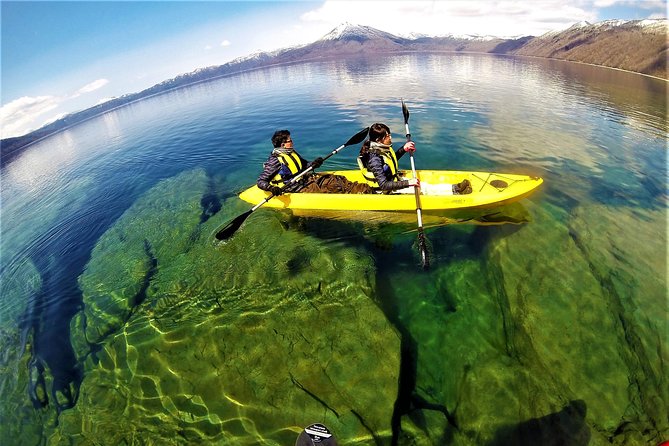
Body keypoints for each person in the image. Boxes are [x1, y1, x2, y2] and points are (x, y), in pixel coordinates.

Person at [357, 123, 472, 195]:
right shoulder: (374, 159)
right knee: (423, 189)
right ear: (378, 140)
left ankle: (454, 188)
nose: (390, 137)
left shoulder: (381, 149)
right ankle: (455, 191)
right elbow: (383, 185)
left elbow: (390, 161)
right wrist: (409, 183)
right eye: (388, 136)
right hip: (386, 191)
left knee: (423, 184)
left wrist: (404, 148)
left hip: (394, 181)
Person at [257, 130, 372, 194]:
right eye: (290, 140)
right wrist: (272, 189)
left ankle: (366, 190)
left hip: (305, 180)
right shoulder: (275, 160)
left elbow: (304, 165)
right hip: (295, 188)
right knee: (334, 187)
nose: (292, 142)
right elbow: (261, 181)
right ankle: (363, 194)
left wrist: (314, 164)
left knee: (336, 179)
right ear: (283, 145)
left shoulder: (291, 152)